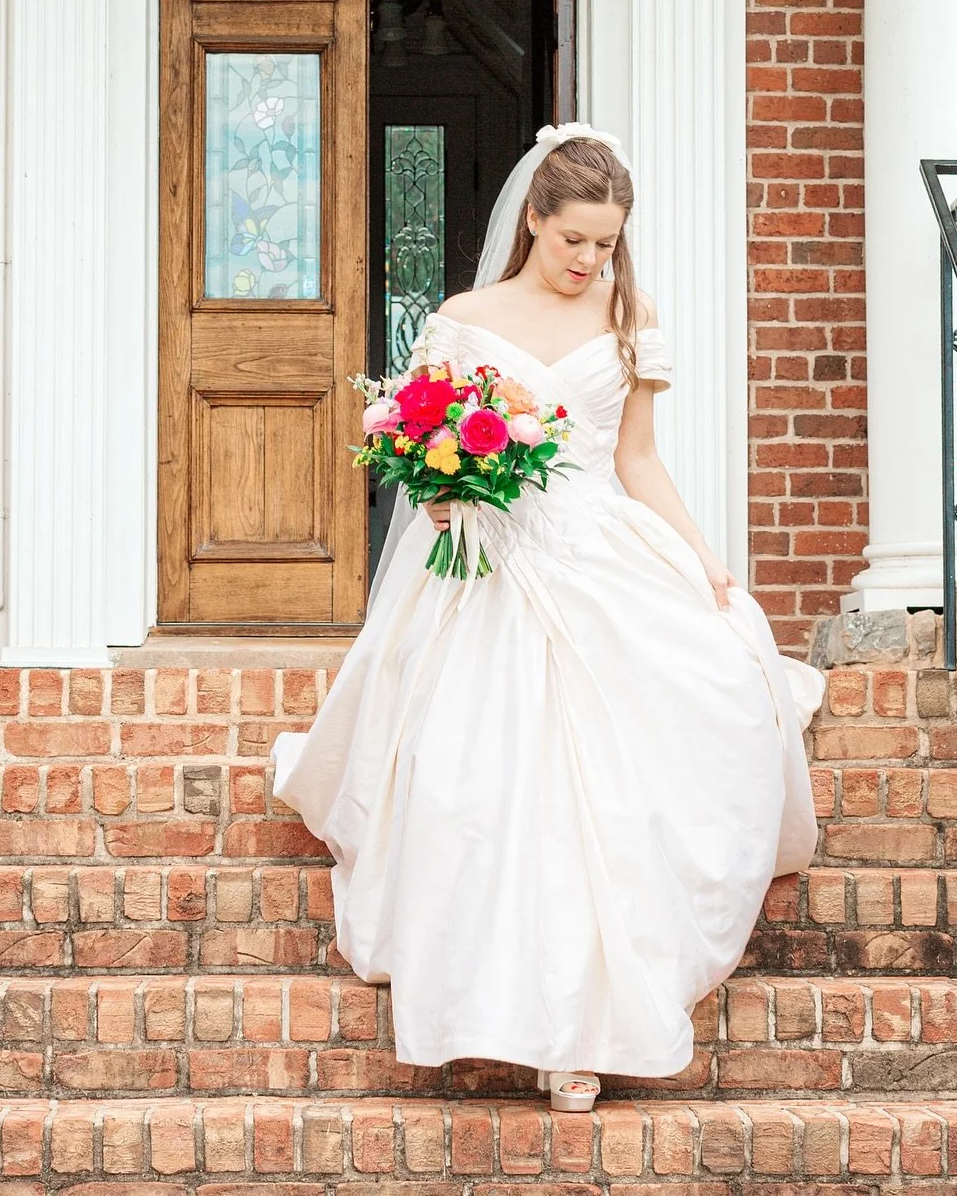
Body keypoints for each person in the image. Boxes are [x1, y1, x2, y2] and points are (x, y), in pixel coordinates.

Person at [271, 123, 823, 1110]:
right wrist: (443, 496)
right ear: (533, 218)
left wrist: (703, 556)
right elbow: (424, 455)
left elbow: (636, 458)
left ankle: (586, 1028)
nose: (589, 260)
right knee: (481, 784)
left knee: (617, 785)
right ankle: (495, 1000)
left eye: (606, 244)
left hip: (600, 551)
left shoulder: (630, 315)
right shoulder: (464, 319)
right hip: (488, 568)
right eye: (575, 239)